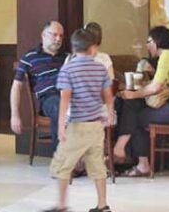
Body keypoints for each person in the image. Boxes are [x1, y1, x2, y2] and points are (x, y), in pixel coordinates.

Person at [45, 28, 114, 212]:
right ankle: (102, 205)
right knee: (98, 165)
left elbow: (65, 99)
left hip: (77, 125)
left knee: (63, 165)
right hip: (96, 125)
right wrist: (110, 113)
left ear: (74, 49)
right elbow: (108, 95)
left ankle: (60, 206)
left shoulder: (68, 69)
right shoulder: (100, 68)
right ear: (92, 48)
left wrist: (61, 125)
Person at [113, 25, 169, 177]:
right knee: (136, 112)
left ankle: (123, 149)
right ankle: (130, 154)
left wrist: (133, 95)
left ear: (157, 41)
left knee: (136, 115)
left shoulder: (167, 56)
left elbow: (155, 88)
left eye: (149, 41)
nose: (147, 45)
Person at [10, 21, 67, 147]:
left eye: (61, 36)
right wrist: (15, 115)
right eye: (54, 35)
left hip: (70, 96)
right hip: (49, 99)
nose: (58, 39)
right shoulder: (30, 57)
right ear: (43, 35)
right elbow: (16, 87)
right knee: (58, 105)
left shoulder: (67, 57)